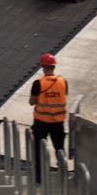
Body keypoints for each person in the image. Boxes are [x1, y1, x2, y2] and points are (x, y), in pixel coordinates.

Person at [29, 52, 68, 183]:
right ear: (54, 67)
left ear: (43, 66)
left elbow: (32, 102)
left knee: (39, 150)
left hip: (41, 122)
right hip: (58, 122)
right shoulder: (63, 82)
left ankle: (39, 178)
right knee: (60, 148)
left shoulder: (38, 84)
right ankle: (63, 175)